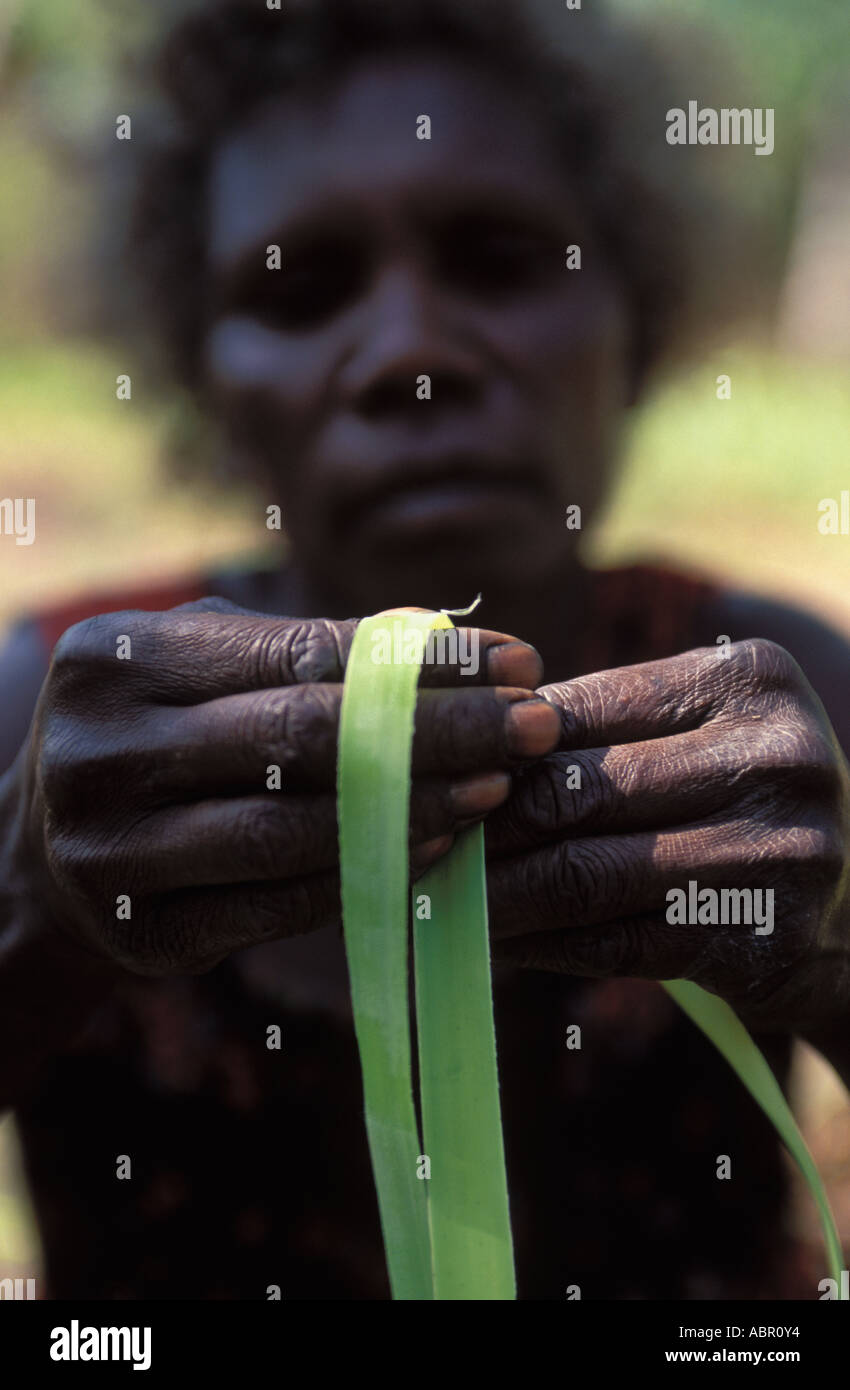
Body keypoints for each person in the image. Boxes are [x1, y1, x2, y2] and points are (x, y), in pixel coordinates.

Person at [1, 0, 849, 1299]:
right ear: (201, 381)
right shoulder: (51, 721)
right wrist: (32, 923)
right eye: (298, 288)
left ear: (639, 321)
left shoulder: (783, 706)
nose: (409, 357)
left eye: (504, 261)